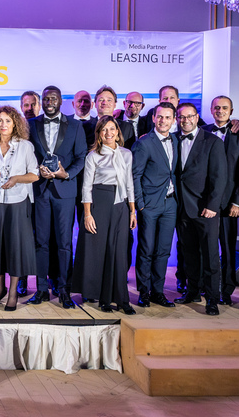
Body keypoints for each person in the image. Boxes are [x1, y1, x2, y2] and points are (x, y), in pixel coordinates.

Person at [27, 86, 87, 308]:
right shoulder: (30, 125)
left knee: (64, 243)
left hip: (65, 191)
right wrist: (37, 171)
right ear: (41, 102)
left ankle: (64, 290)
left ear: (61, 101)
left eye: (53, 98)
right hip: (40, 190)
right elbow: (27, 155)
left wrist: (66, 173)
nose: (49, 102)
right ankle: (41, 289)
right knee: (41, 242)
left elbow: (81, 157)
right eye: (45, 99)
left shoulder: (76, 125)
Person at [0, 106, 39, 311]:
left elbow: (34, 175)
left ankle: (13, 292)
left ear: (15, 123)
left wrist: (16, 179)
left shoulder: (25, 146)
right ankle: (0, 289)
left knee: (14, 247)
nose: (3, 124)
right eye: (0, 121)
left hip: (17, 201)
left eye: (7, 120)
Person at [77, 116, 136, 314]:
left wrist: (132, 210)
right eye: (104, 130)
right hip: (99, 203)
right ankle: (103, 298)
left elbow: (129, 183)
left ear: (118, 132)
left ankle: (122, 299)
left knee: (119, 252)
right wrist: (87, 214)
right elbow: (86, 187)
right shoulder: (93, 156)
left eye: (112, 129)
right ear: (99, 134)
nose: (108, 133)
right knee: (101, 252)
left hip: (121, 205)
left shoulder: (126, 154)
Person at [173, 102, 226, 315]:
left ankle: (212, 299)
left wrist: (212, 205)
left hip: (205, 209)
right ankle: (192, 292)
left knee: (211, 255)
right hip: (182, 208)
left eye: (189, 116)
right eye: (181, 117)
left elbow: (219, 176)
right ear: (177, 119)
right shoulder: (173, 139)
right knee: (189, 254)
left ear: (197, 118)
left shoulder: (213, 141)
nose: (185, 120)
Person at [203, 95, 239, 305]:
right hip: (205, 202)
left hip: (229, 203)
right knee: (206, 248)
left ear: (231, 111)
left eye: (225, 108)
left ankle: (227, 291)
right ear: (211, 110)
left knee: (228, 249)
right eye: (217, 107)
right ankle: (207, 288)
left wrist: (238, 202)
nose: (220, 111)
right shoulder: (202, 131)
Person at [131, 102, 179, 309]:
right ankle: (144, 292)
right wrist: (140, 204)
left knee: (163, 251)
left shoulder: (176, 140)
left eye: (168, 117)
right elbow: (135, 175)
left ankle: (158, 292)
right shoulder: (144, 143)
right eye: (160, 116)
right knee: (146, 249)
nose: (163, 121)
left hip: (171, 203)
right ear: (153, 118)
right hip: (149, 205)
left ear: (174, 120)